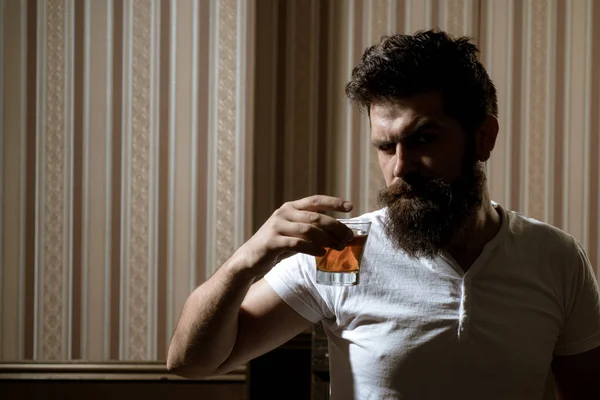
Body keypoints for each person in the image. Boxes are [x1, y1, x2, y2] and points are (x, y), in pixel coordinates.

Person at [167, 30, 600, 399]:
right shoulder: (344, 248)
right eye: (385, 146)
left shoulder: (554, 256)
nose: (400, 167)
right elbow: (190, 362)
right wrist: (245, 263)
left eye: (424, 138)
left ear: (484, 137)